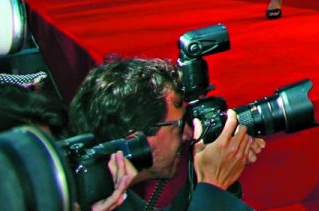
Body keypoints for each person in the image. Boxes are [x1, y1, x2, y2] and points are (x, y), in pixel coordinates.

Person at [68, 56, 265, 211]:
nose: (188, 134)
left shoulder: (108, 189)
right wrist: (213, 183)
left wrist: (217, 174)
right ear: (135, 139)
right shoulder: (85, 202)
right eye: (180, 124)